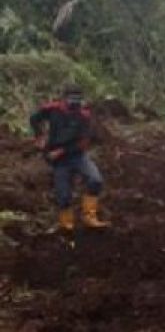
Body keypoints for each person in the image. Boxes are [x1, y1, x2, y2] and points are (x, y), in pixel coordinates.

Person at [29, 84, 110, 232]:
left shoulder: (84, 115)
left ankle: (89, 216)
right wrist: (39, 136)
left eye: (78, 99)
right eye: (71, 98)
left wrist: (62, 151)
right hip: (58, 159)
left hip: (77, 155)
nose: (75, 102)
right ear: (64, 98)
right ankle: (66, 225)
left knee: (95, 180)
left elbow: (84, 142)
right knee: (64, 195)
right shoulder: (52, 108)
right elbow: (34, 118)